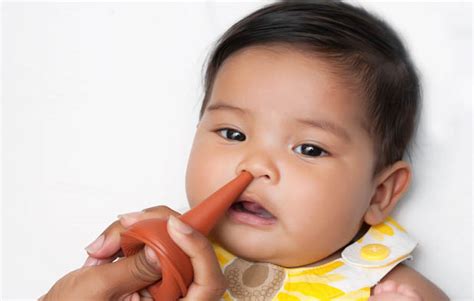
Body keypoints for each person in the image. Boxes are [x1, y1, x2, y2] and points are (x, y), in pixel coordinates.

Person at [41, 1, 450, 300]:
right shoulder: (162, 257)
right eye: (233, 134)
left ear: (379, 193)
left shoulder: (386, 287)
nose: (254, 165)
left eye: (308, 148)